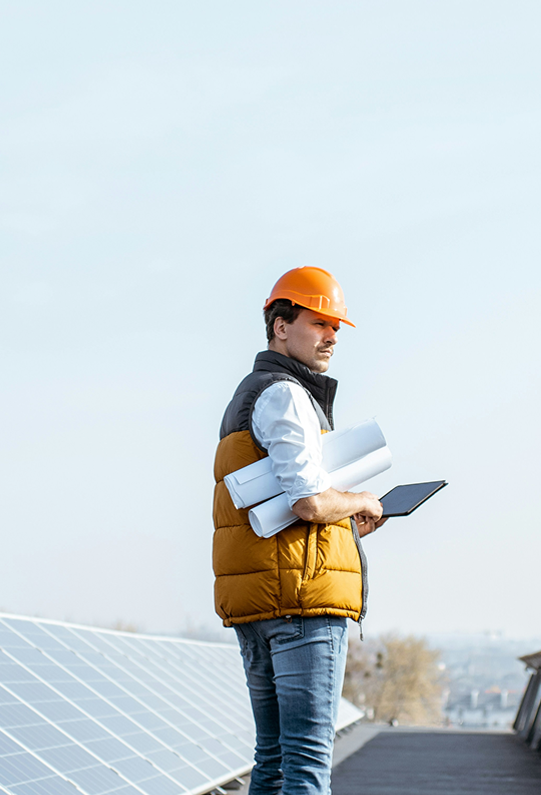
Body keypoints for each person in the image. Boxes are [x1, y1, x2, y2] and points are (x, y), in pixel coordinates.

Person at [212, 266, 385, 795]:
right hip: (302, 607)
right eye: (320, 322)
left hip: (261, 600)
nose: (332, 335)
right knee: (307, 764)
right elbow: (308, 500)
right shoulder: (285, 394)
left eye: (337, 327)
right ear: (281, 325)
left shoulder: (248, 395)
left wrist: (342, 522)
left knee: (274, 762)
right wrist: (361, 501)